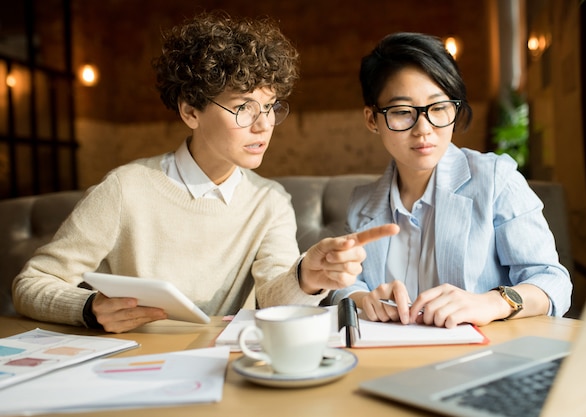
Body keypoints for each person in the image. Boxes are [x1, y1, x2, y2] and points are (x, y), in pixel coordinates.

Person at [12, 11, 398, 334]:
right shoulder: (126, 189)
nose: (264, 126)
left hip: (223, 364)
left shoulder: (270, 201)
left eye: (270, 107)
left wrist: (306, 277)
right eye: (244, 107)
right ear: (190, 111)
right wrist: (89, 308)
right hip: (135, 364)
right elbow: (30, 284)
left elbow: (272, 297)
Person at [330, 32, 572, 328]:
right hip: (392, 362)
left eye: (438, 108)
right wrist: (362, 299)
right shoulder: (362, 202)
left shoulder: (495, 180)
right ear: (372, 119)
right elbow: (343, 283)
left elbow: (553, 281)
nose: (423, 129)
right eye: (403, 112)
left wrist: (491, 302)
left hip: (482, 359)